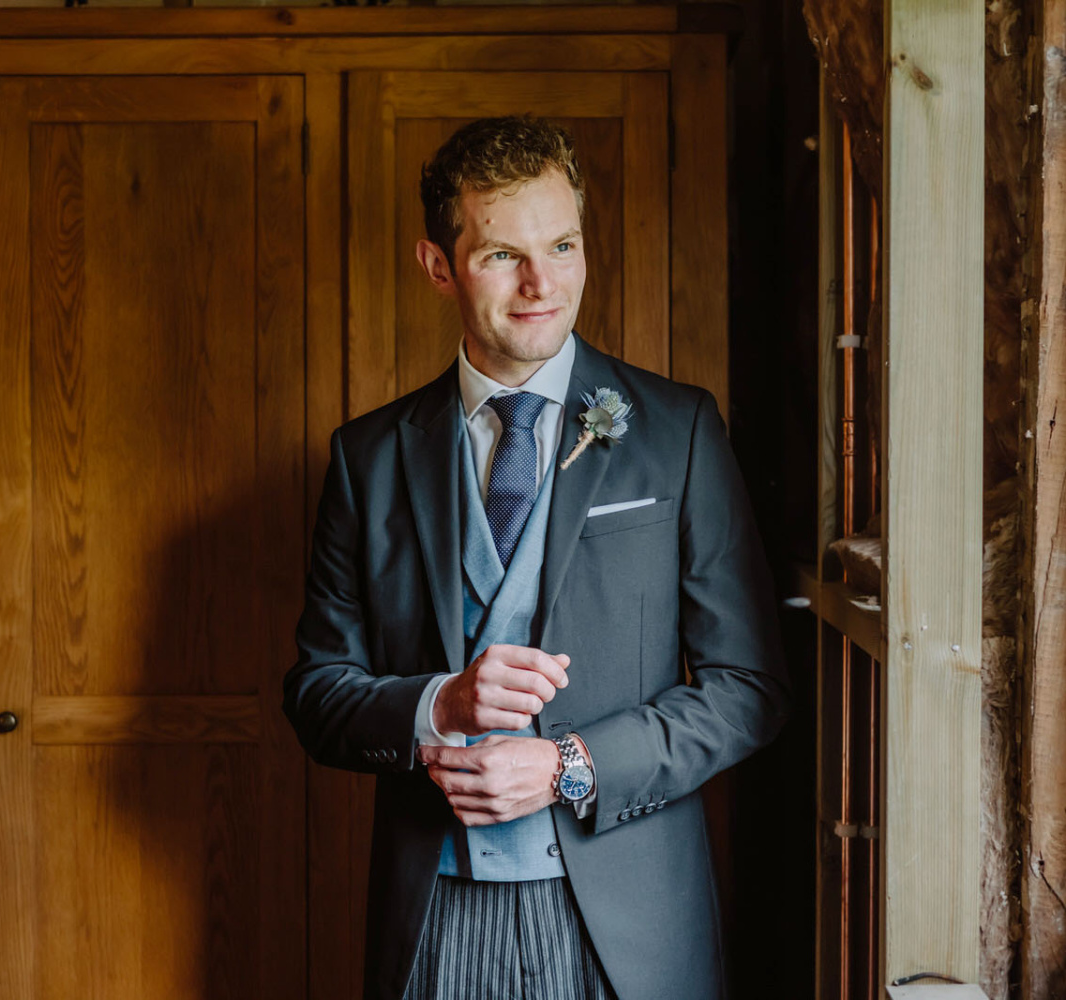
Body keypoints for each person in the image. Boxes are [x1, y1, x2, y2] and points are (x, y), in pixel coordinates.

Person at [282, 115, 789, 1000]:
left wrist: (567, 765)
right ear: (439, 267)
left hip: (631, 925)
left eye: (562, 245)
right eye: (500, 256)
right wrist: (439, 703)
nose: (540, 285)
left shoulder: (679, 433)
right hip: (434, 917)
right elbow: (318, 694)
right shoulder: (369, 459)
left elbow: (748, 690)